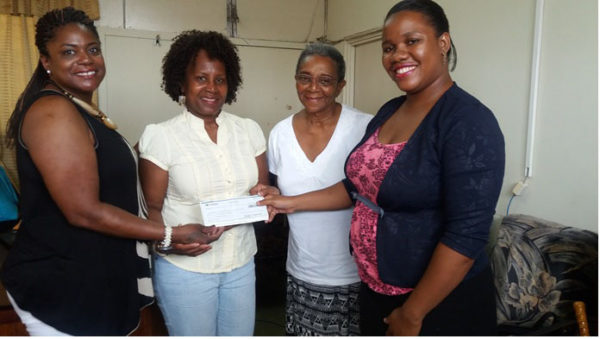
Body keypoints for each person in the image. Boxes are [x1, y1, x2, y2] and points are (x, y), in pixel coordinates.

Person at [258, 0, 505, 335]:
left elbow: (466, 235)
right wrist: (288, 202)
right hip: (376, 289)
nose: (398, 54)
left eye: (411, 41)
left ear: (443, 42)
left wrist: (413, 313)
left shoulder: (467, 122)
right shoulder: (390, 111)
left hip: (434, 302)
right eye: (389, 47)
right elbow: (356, 187)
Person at [0, 7, 218, 336]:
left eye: (93, 49)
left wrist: (154, 147)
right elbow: (83, 211)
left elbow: (101, 172)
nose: (86, 59)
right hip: (62, 285)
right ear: (46, 62)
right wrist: (169, 234)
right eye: (69, 52)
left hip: (90, 277)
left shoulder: (80, 108)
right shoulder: (54, 112)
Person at [137, 30, 269, 336]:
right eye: (201, 78)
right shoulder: (161, 136)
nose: (211, 88)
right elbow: (152, 211)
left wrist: (268, 196)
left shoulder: (248, 131)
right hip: (187, 270)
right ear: (182, 83)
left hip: (241, 263)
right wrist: (168, 245)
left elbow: (260, 195)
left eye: (220, 79)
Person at [267, 42, 371, 336]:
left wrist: (289, 201)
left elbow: (366, 192)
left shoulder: (365, 128)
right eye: (305, 77)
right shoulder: (279, 134)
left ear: (340, 85)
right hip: (301, 271)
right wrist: (266, 194)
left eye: (325, 80)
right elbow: (276, 191)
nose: (313, 88)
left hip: (355, 274)